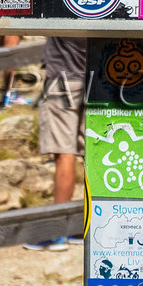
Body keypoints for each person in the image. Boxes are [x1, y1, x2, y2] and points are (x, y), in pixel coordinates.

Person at [27, 34, 87, 249]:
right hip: (95, 78)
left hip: (62, 79)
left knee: (64, 153)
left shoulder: (63, 3)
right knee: (95, 153)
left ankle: (58, 232)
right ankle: (87, 225)